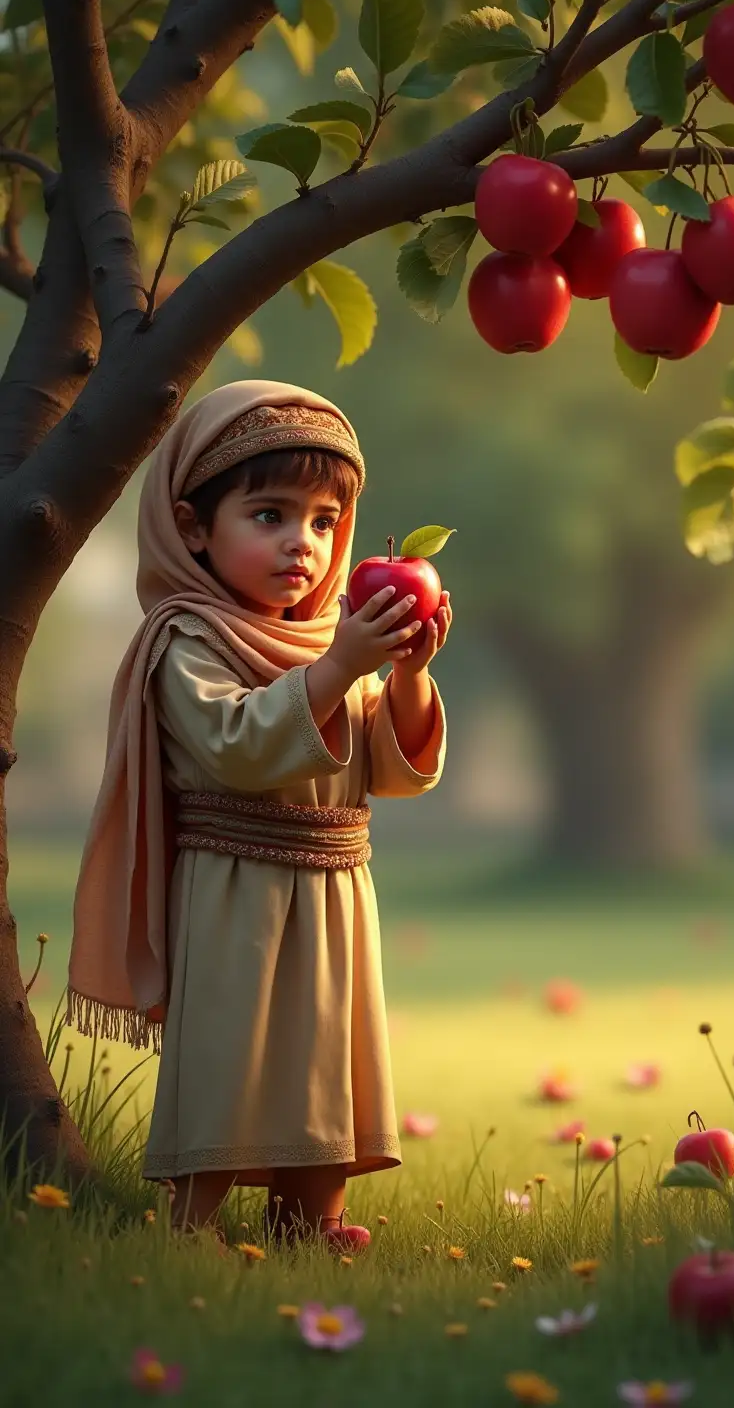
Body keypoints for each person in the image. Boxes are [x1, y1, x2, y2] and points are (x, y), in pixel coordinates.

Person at [68, 380, 451, 1250]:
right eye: (270, 515)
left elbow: (389, 771)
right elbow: (236, 744)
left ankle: (309, 1219)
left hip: (335, 891)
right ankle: (192, 1223)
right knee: (227, 1052)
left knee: (326, 1058)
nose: (302, 546)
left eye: (323, 522)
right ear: (195, 526)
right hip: (234, 882)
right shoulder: (186, 638)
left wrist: (404, 675)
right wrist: (341, 664)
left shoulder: (332, 638)